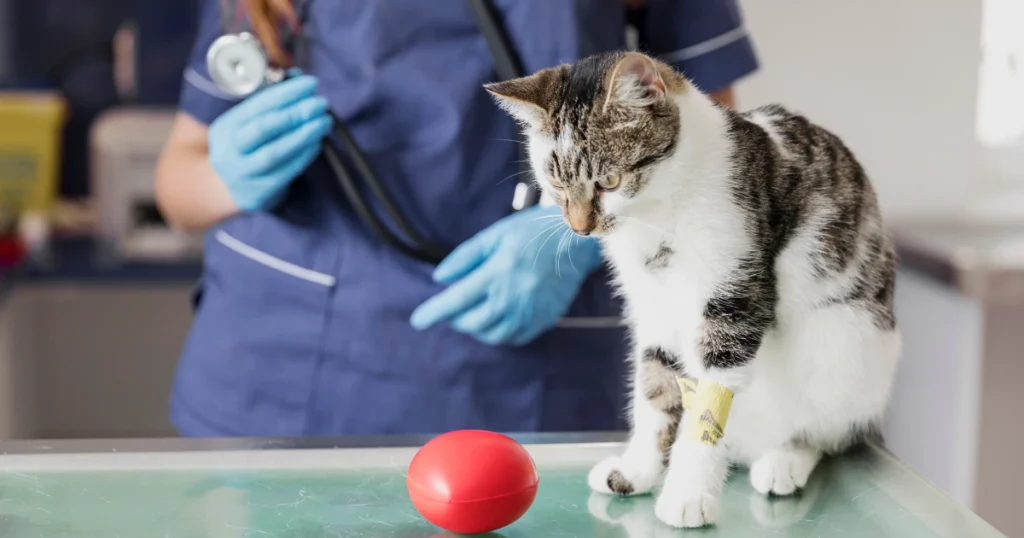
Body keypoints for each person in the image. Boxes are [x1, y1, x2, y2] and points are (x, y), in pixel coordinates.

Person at [155, 0, 759, 437]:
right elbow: (177, 186)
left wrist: (582, 242)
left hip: (535, 389)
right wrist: (223, 176)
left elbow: (718, 154)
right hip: (288, 377)